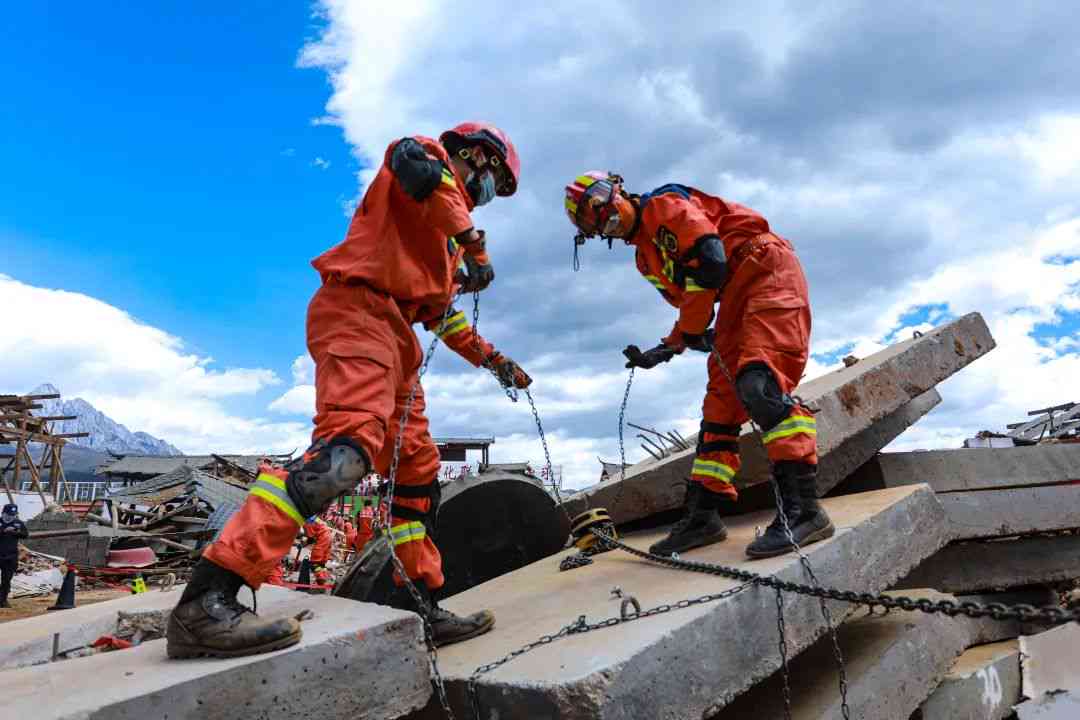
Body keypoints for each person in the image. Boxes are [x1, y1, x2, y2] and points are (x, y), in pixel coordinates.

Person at [167, 122, 530, 659]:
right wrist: (473, 242)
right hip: (357, 312)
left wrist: (497, 362)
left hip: (397, 334)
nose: (486, 201)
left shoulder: (443, 248)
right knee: (347, 452)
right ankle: (207, 598)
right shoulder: (424, 167)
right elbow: (418, 169)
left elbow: (440, 318)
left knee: (418, 473)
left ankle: (421, 605)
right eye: (492, 186)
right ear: (479, 158)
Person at [564, 172, 833, 559]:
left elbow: (709, 263)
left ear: (618, 188)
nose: (602, 216)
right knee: (719, 412)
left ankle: (805, 509)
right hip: (732, 297)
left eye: (599, 202)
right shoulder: (646, 259)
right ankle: (702, 516)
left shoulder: (664, 205)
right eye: (590, 220)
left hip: (765, 271)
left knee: (759, 384)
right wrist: (666, 347)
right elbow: (693, 302)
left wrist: (687, 333)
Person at [0, 504, 29, 608]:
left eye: (13, 515)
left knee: (6, 579)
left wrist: (15, 532)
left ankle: (3, 600)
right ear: (3, 513)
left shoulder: (18, 523)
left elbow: (25, 534)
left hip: (11, 556)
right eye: (8, 514)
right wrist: (4, 531)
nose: (10, 517)